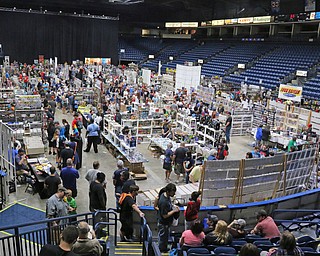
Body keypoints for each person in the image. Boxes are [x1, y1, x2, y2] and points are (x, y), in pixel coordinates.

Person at [157, 183, 180, 253]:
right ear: (168, 192)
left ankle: (163, 247)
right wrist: (174, 211)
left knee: (164, 237)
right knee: (163, 238)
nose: (174, 194)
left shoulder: (166, 197)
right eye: (173, 192)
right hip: (164, 223)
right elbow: (165, 215)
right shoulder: (164, 202)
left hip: (166, 223)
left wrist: (173, 206)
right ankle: (161, 250)